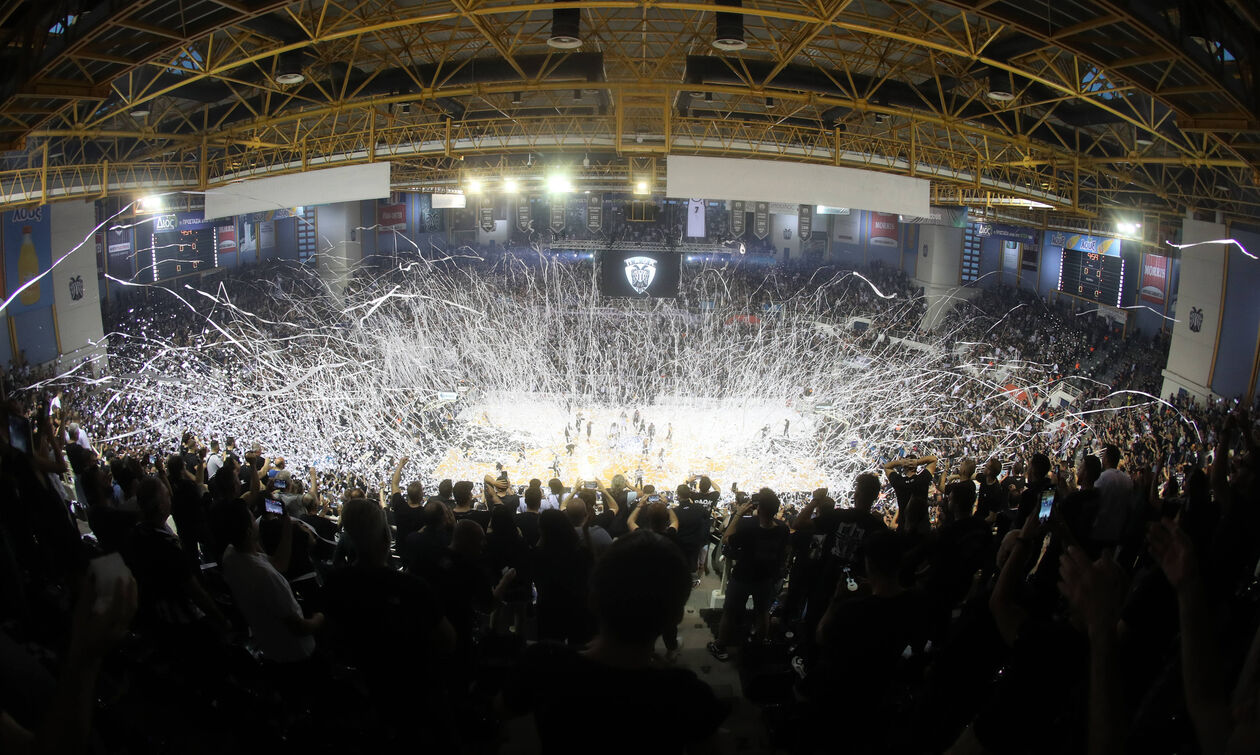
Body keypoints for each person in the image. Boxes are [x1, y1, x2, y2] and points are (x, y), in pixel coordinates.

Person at [503, 532, 730, 753]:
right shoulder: (688, 697)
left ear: (592, 599)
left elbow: (494, 717)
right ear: (677, 617)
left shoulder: (543, 664)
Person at [219, 499, 324, 664]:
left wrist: (287, 525)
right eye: (252, 518)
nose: (257, 520)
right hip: (297, 654)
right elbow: (299, 628)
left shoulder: (230, 555)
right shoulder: (267, 577)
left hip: (269, 646)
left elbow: (279, 563)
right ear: (248, 531)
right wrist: (319, 618)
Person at [708, 488, 789, 661]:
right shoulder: (783, 528)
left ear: (759, 508)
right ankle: (759, 647)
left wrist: (738, 514)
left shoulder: (747, 526)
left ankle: (720, 645)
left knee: (730, 613)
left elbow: (727, 539)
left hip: (742, 576)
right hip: (766, 578)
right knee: (762, 612)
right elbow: (783, 552)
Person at [531, 509, 593, 645]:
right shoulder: (578, 553)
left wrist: (543, 535)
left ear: (543, 531)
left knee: (550, 648)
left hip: (549, 608)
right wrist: (585, 531)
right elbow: (590, 561)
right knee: (578, 647)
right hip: (577, 607)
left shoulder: (539, 556)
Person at [1091, 444, 1133, 545]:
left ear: (1106, 459)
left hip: (1099, 532)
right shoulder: (1128, 481)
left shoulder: (1101, 478)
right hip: (1118, 534)